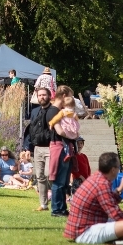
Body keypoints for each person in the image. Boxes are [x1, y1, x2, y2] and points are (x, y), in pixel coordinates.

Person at [64, 152, 123, 245]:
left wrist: (120, 188)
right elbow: (115, 213)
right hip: (84, 232)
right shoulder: (102, 184)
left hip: (84, 227)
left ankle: (120, 239)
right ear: (113, 170)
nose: (119, 170)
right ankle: (118, 241)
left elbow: (109, 201)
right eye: (118, 167)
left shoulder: (97, 178)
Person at [48, 85, 81, 217]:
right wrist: (74, 135)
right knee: (59, 179)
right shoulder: (53, 111)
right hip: (59, 146)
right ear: (63, 96)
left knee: (65, 180)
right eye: (70, 96)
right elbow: (60, 131)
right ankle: (56, 209)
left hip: (66, 146)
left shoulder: (62, 111)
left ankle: (62, 207)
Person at [25, 86, 58, 211]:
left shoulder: (53, 110)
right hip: (37, 148)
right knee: (39, 176)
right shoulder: (35, 112)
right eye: (39, 95)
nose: (41, 97)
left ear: (49, 96)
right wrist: (27, 147)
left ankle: (56, 201)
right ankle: (43, 204)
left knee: (49, 175)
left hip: (51, 147)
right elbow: (30, 130)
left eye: (44, 95)